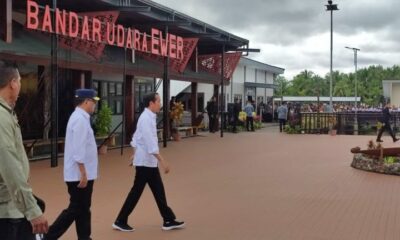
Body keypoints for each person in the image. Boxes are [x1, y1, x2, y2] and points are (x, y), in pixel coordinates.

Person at [113, 92, 184, 232]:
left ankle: (168, 219)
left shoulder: (149, 117)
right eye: (158, 101)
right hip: (145, 163)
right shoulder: (145, 119)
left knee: (158, 191)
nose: (160, 104)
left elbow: (136, 138)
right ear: (151, 103)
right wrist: (163, 161)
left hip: (148, 162)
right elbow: (150, 144)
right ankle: (120, 220)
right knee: (136, 192)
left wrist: (134, 154)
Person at [0, 62, 48, 240]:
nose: (20, 86)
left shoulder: (7, 113)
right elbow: (9, 165)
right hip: (6, 211)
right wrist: (31, 209)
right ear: (12, 83)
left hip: (11, 205)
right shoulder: (1, 117)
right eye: (20, 81)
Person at [44, 89, 99, 240]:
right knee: (76, 208)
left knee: (83, 208)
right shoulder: (80, 119)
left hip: (80, 173)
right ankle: (48, 236)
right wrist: (83, 173)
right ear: (87, 101)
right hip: (79, 175)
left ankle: (84, 237)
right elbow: (79, 149)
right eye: (94, 102)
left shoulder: (80, 117)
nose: (95, 105)